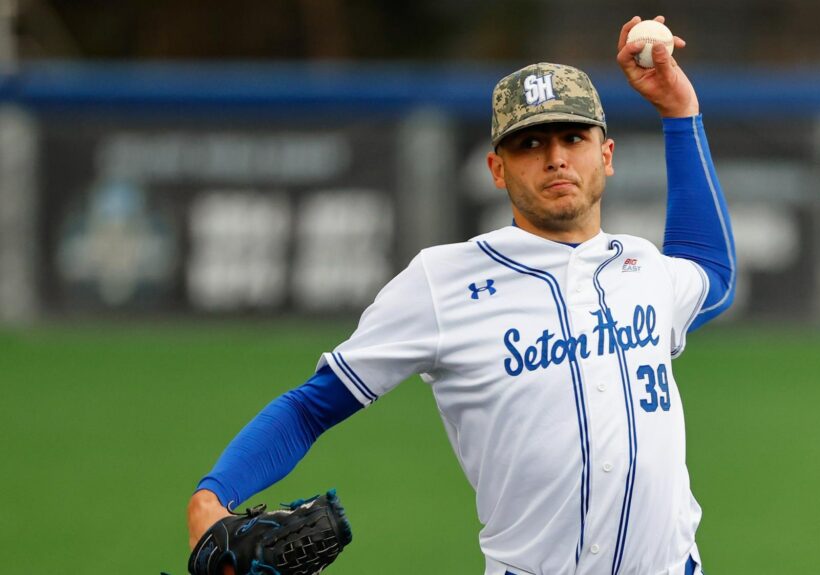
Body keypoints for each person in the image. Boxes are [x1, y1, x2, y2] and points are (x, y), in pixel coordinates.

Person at [187, 15, 735, 575]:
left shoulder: (640, 265)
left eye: (573, 137)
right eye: (530, 143)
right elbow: (311, 406)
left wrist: (679, 111)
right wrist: (210, 498)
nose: (556, 157)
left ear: (607, 155)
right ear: (498, 169)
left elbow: (711, 273)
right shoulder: (442, 281)